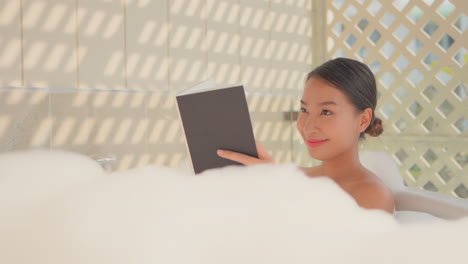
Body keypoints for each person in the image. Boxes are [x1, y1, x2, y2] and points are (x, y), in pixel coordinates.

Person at [217, 58, 395, 214]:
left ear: (363, 120)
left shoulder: (372, 195)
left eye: (326, 112)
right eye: (304, 110)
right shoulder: (293, 177)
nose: (308, 126)